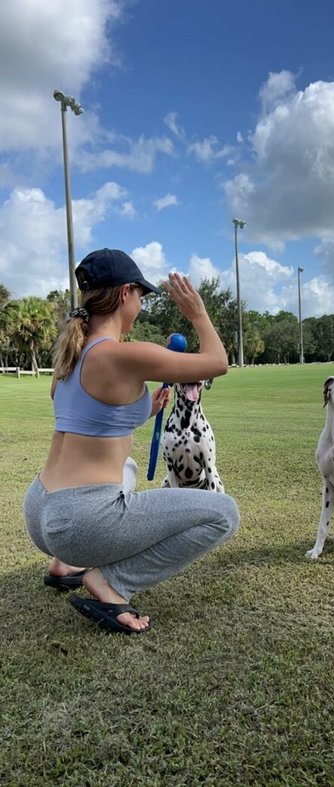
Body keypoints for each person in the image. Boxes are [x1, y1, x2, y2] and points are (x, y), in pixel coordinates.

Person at [23, 248, 240, 635]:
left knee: (128, 466)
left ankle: (64, 565)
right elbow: (218, 362)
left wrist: (146, 411)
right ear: (126, 293)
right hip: (78, 523)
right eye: (141, 296)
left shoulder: (69, 356)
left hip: (41, 508)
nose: (140, 305)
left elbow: (89, 421)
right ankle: (112, 581)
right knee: (224, 513)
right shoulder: (123, 354)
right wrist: (198, 313)